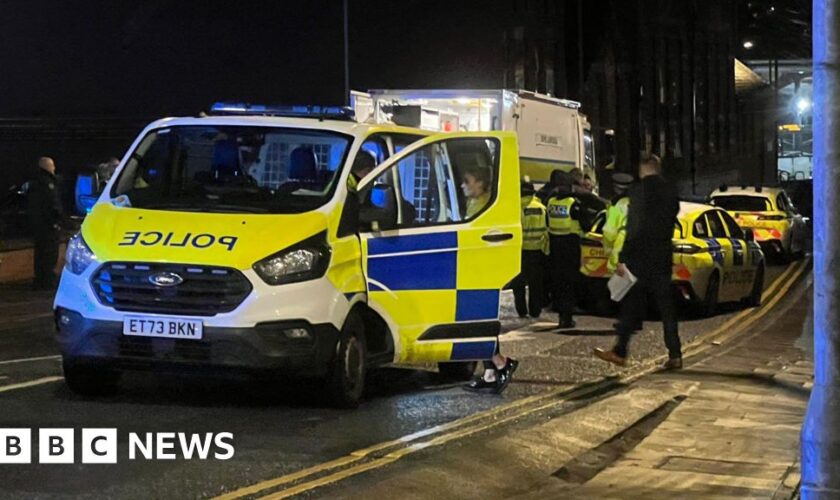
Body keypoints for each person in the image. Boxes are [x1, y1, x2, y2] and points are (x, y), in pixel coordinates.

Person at [594, 154, 682, 369]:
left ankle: (620, 351)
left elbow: (635, 227)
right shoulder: (671, 191)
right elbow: (672, 217)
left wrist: (623, 257)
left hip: (641, 255)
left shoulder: (639, 190)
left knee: (631, 302)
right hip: (662, 254)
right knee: (666, 307)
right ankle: (675, 354)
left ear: (643, 169)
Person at [546, 174, 584, 329]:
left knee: (559, 284)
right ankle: (567, 318)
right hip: (570, 246)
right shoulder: (573, 203)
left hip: (555, 246)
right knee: (569, 284)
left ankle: (561, 316)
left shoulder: (551, 202)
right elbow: (585, 222)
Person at [512, 181, 549, 318]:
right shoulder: (541, 208)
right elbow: (547, 231)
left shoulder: (514, 208)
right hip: (537, 252)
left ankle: (521, 311)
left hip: (519, 252)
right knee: (536, 284)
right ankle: (535, 311)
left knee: (518, 284)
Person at [27, 157, 63, 290]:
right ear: (47, 167)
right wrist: (57, 221)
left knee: (40, 253)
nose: (54, 169)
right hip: (49, 226)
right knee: (49, 254)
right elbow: (53, 205)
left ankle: (39, 280)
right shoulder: (48, 184)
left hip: (38, 225)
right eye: (52, 166)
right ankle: (47, 281)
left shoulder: (34, 183)